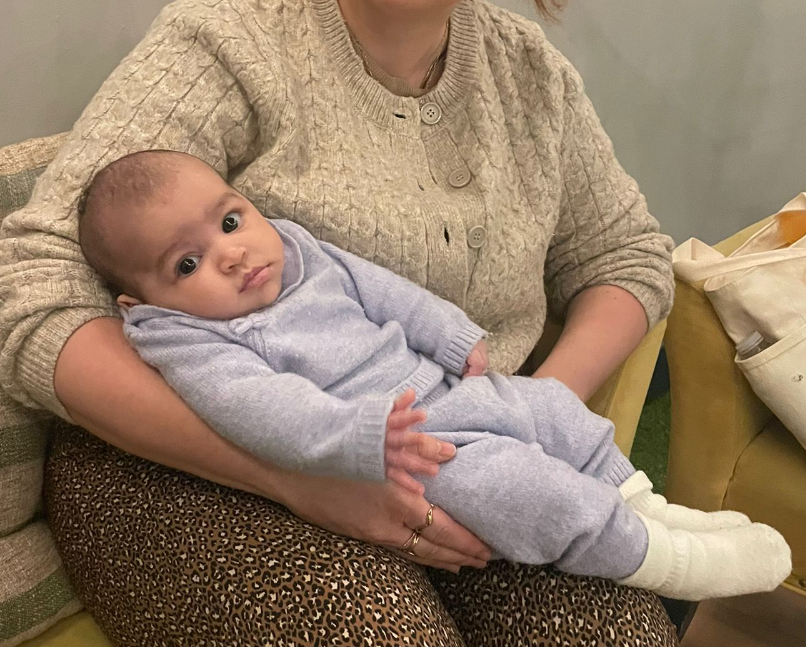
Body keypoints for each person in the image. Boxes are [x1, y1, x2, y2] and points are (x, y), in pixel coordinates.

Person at [0, 0, 691, 645]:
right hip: (191, 467)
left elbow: (627, 256)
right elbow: (32, 287)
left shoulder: (533, 83)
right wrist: (297, 476)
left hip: (462, 452)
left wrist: (539, 410)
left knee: (615, 635)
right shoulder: (226, 42)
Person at [77, 148, 791, 600]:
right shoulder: (188, 337)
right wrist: (360, 437)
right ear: (144, 300)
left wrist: (447, 333)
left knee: (553, 409)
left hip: (450, 390)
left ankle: (642, 503)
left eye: (230, 222)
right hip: (408, 453)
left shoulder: (290, 247)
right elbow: (258, 406)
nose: (229, 254)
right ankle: (661, 558)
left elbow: (379, 288)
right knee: (523, 487)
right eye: (187, 263)